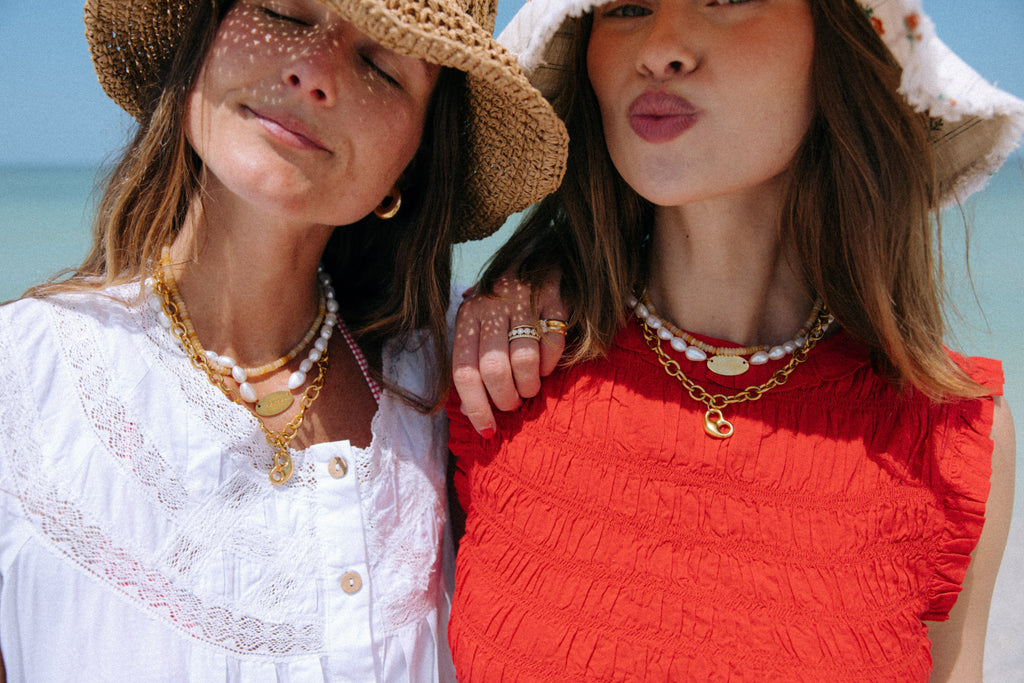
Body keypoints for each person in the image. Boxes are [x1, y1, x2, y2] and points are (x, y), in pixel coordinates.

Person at [447, 0, 1023, 680]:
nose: (660, 48)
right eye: (625, 8)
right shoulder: (493, 376)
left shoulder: (947, 437)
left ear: (839, 47)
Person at [0, 0, 567, 680]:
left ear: (414, 158)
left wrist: (544, 290)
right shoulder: (21, 383)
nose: (315, 73)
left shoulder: (462, 380)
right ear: (200, 44)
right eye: (284, 14)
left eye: (381, 66)